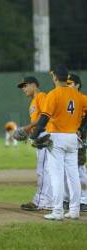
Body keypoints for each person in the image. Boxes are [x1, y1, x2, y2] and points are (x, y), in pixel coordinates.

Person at [31, 65, 87, 220]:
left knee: (56, 175)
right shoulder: (78, 95)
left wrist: (34, 135)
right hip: (72, 138)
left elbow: (44, 117)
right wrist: (82, 128)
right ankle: (74, 210)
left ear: (55, 77)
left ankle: (57, 212)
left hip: (57, 138)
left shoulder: (53, 94)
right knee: (73, 175)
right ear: (67, 78)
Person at [15, 76, 53, 211]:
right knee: (47, 170)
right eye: (22, 87)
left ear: (34, 85)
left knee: (43, 170)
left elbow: (45, 116)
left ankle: (41, 201)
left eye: (25, 86)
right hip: (40, 136)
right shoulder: (33, 102)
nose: (23, 89)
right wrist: (31, 133)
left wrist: (27, 128)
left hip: (45, 137)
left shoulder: (42, 96)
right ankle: (48, 200)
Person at [64, 73, 87, 212]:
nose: (68, 85)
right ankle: (68, 199)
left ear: (77, 85)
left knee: (79, 168)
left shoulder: (83, 99)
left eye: (70, 83)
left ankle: (84, 199)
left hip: (81, 137)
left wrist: (81, 129)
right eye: (66, 83)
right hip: (68, 137)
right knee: (66, 169)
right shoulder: (67, 100)